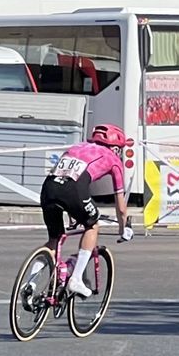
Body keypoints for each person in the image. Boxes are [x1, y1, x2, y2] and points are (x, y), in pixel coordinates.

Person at [39, 123, 132, 298]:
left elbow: (64, 178)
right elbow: (120, 205)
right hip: (73, 190)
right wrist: (123, 229)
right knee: (93, 225)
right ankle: (76, 279)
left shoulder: (78, 146)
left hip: (49, 187)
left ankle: (29, 283)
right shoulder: (114, 160)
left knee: (54, 241)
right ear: (116, 148)